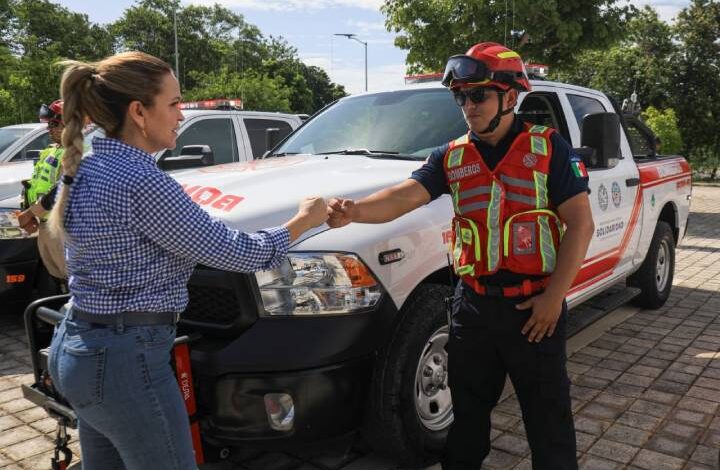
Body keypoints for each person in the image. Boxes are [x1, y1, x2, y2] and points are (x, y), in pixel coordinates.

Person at [45, 51, 328, 470]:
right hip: (126, 362)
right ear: (139, 112)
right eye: (175, 103)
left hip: (79, 345)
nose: (182, 114)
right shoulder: (142, 181)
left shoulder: (89, 166)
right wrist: (302, 222)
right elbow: (239, 253)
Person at [327, 42, 594, 470]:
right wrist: (354, 212)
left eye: (478, 95)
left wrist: (553, 299)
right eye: (461, 97)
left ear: (510, 96)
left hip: (534, 310)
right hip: (472, 307)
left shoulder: (548, 150)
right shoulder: (452, 156)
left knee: (548, 423)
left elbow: (581, 224)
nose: (468, 106)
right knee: (467, 420)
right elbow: (403, 197)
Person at [17, 100, 67, 280]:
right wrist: (28, 211)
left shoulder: (77, 151)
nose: (49, 129)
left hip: (64, 228)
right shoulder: (51, 151)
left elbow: (61, 190)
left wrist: (31, 213)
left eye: (54, 124)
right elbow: (35, 184)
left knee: (73, 282)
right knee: (58, 282)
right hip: (46, 226)